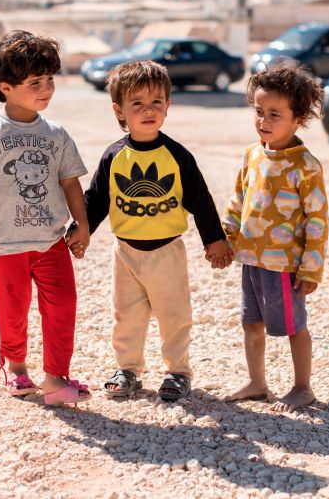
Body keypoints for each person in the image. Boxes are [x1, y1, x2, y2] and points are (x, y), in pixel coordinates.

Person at [74, 60, 232, 402]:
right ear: (119, 110)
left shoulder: (176, 155)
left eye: (156, 102)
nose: (149, 110)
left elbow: (200, 200)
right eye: (138, 104)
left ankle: (178, 372)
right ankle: (128, 369)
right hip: (126, 252)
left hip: (167, 252)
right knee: (127, 315)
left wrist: (214, 239)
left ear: (168, 106)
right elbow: (97, 199)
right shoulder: (114, 156)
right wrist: (81, 231)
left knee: (174, 315)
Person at [0, 30, 92, 406]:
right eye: (35, 82)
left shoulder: (57, 135)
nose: (46, 88)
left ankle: (56, 378)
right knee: (12, 311)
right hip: (4, 243)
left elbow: (71, 183)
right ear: (6, 87)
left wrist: (83, 225)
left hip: (51, 241)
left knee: (63, 305)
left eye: (49, 79)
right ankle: (16, 368)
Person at [219, 59, 329, 412]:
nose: (263, 121)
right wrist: (225, 239)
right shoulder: (251, 155)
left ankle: (302, 387)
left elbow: (317, 220)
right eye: (259, 111)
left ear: (299, 119)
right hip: (250, 259)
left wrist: (311, 268)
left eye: (274, 114)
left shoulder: (305, 165)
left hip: (284, 266)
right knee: (251, 323)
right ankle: (257, 381)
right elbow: (238, 201)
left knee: (294, 326)